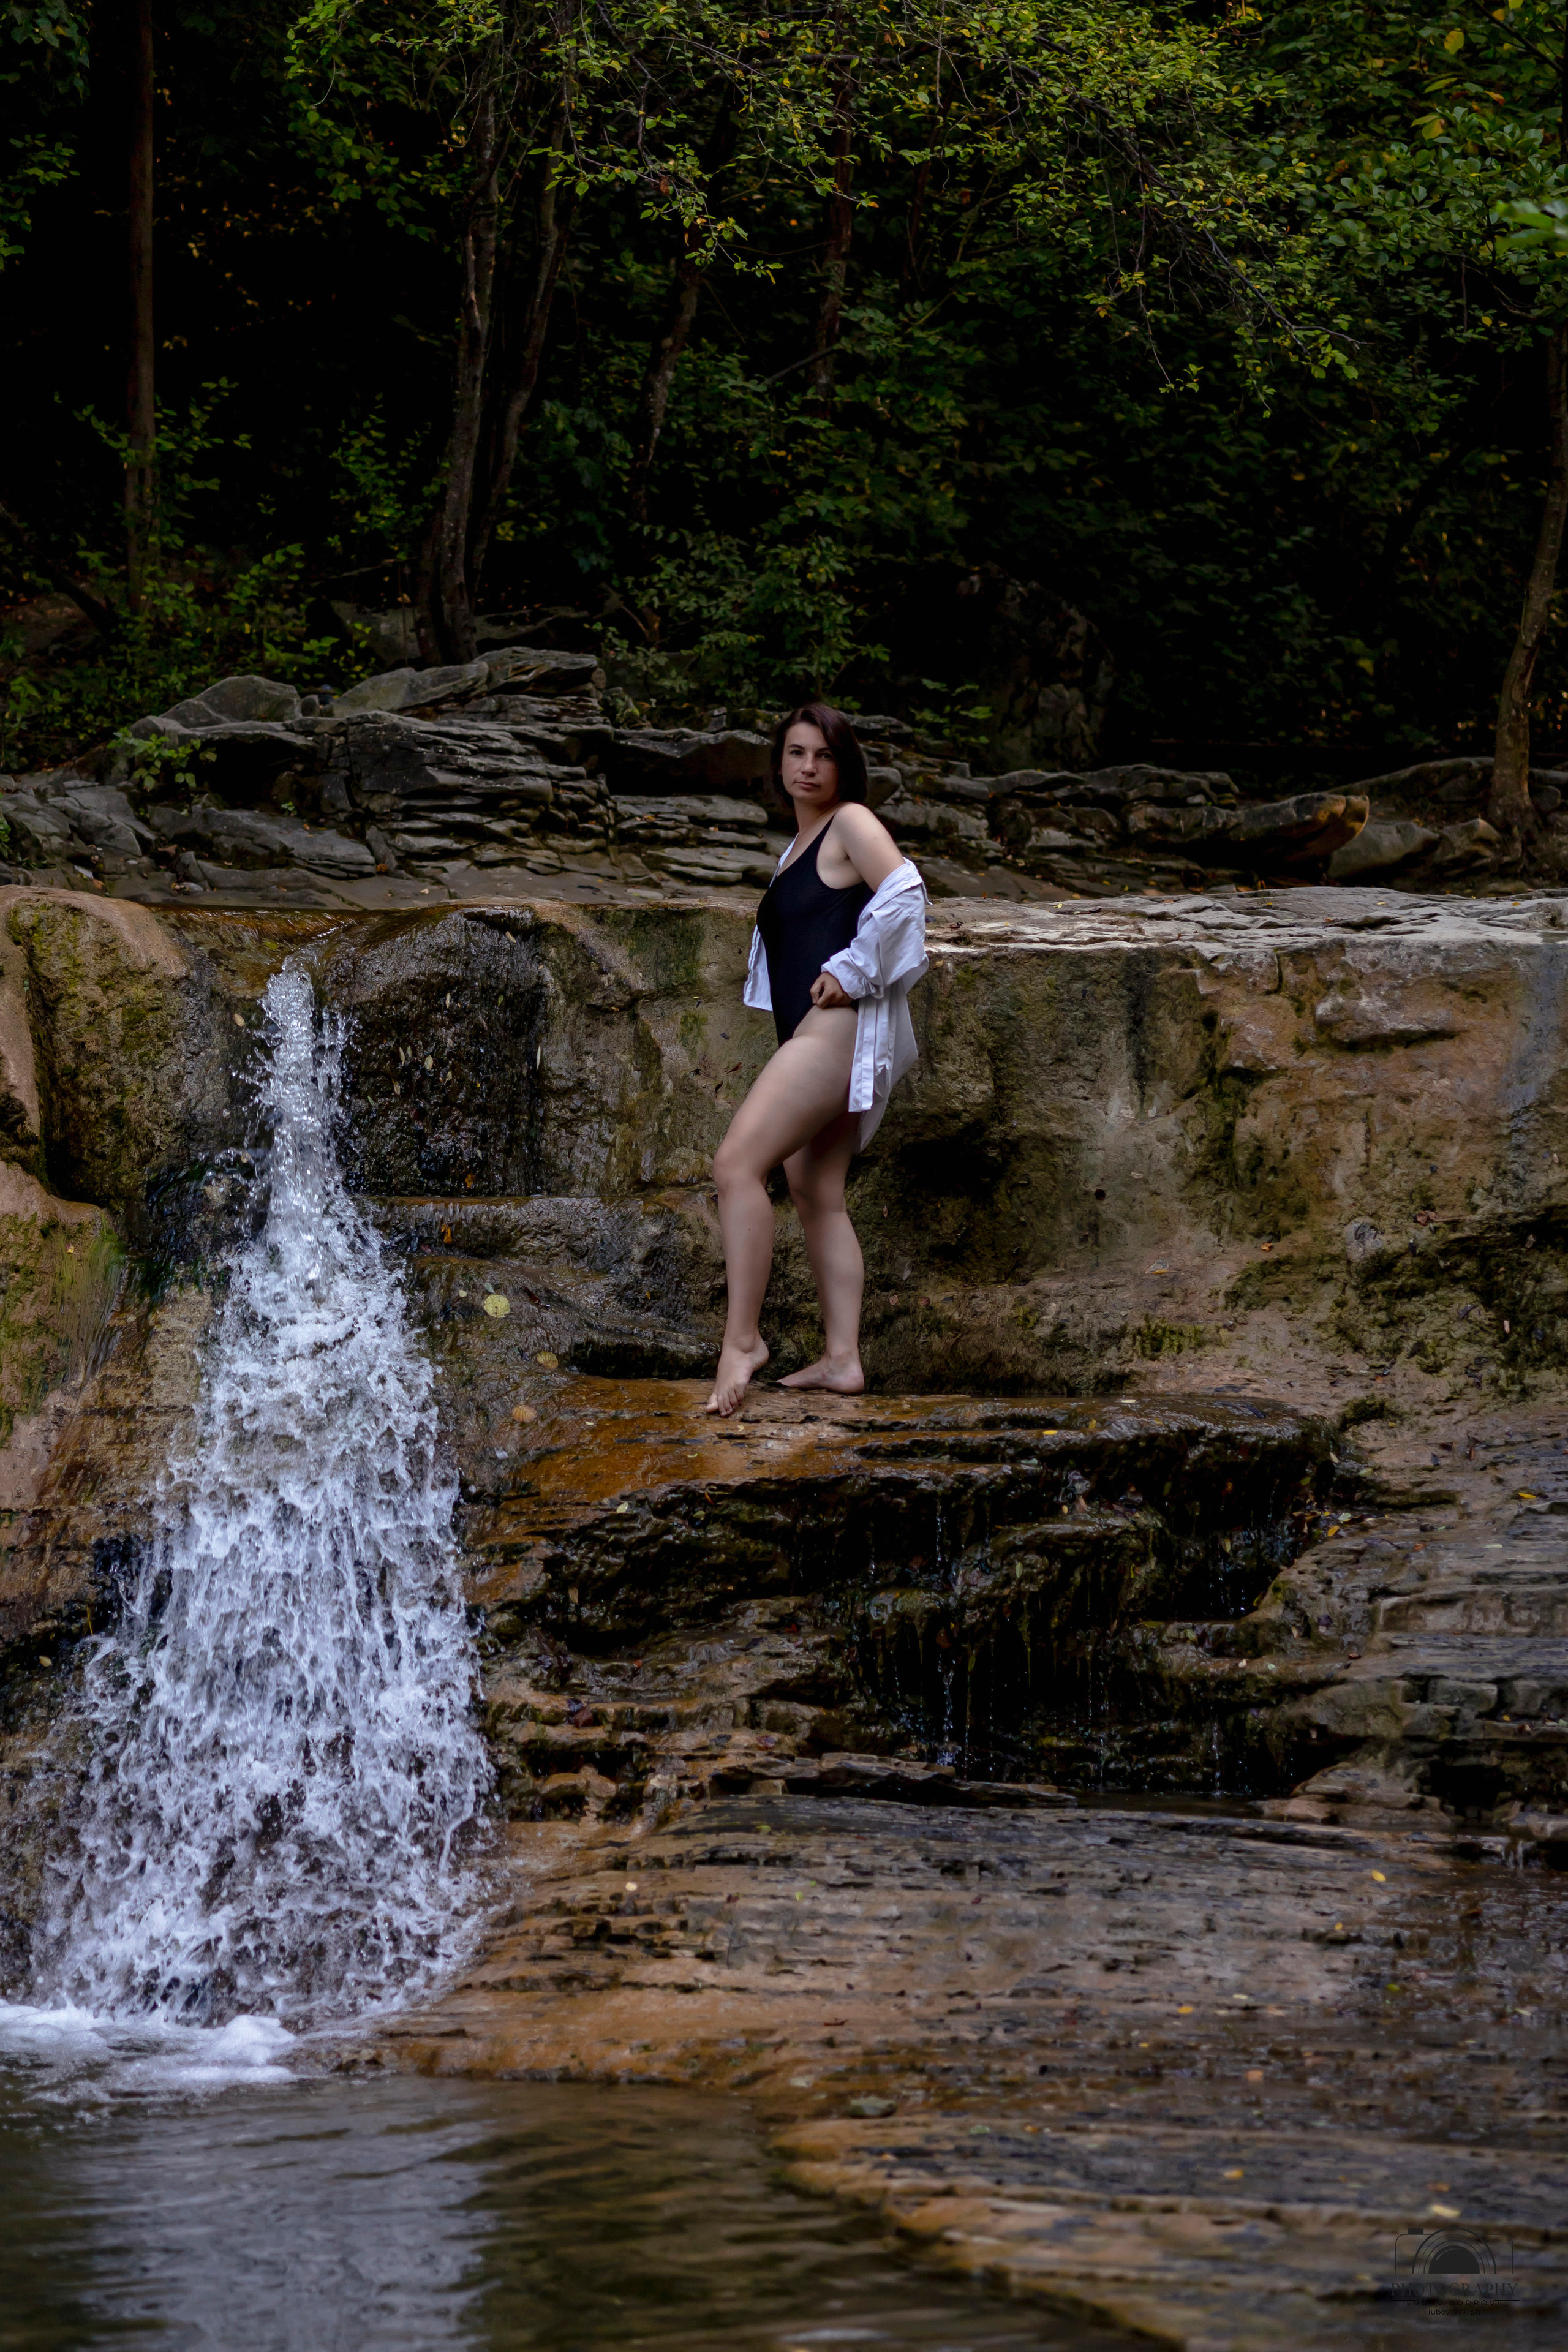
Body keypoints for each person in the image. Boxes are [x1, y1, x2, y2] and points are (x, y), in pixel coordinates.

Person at [706, 702, 929, 1417]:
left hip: (833, 1033)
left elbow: (905, 892)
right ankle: (842, 1359)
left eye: (823, 755)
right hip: (810, 1034)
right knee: (815, 1192)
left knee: (737, 1165)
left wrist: (856, 969)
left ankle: (743, 1340)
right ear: (779, 763)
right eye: (796, 753)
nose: (808, 767)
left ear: (844, 765)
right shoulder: (794, 850)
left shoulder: (851, 824)